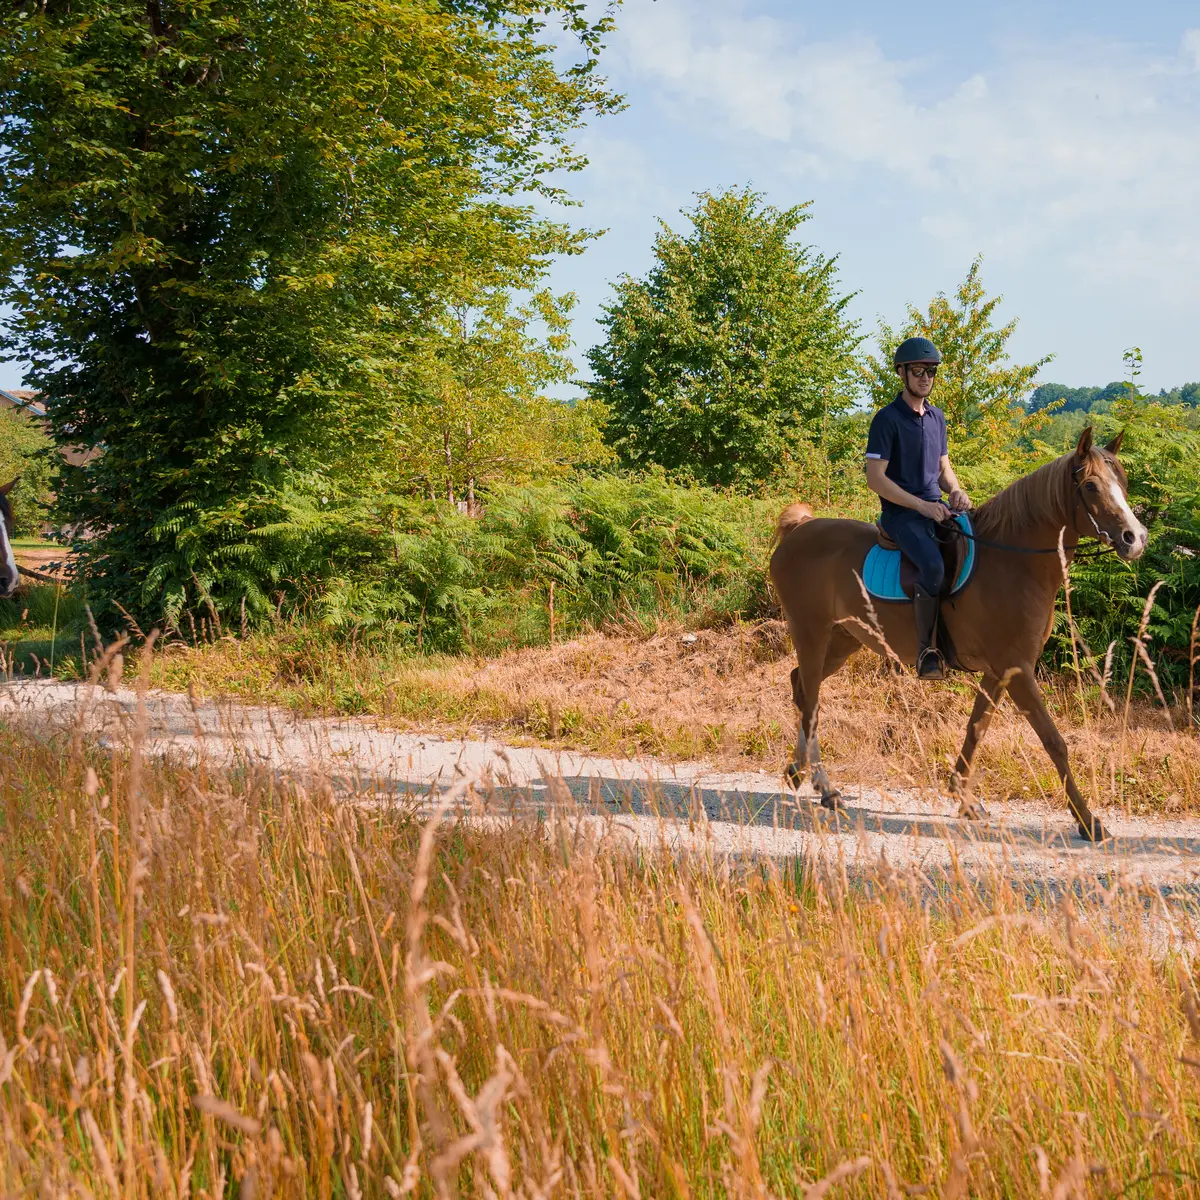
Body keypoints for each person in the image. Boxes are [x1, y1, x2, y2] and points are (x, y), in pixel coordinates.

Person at [864, 337, 971, 679]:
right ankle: (927, 652)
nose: (926, 377)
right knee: (932, 567)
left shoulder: (937, 418)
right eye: (919, 371)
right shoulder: (887, 420)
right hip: (901, 515)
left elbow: (942, 468)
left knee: (974, 547)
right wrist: (922, 507)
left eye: (932, 372)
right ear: (902, 372)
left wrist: (955, 491)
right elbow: (875, 479)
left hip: (936, 508)